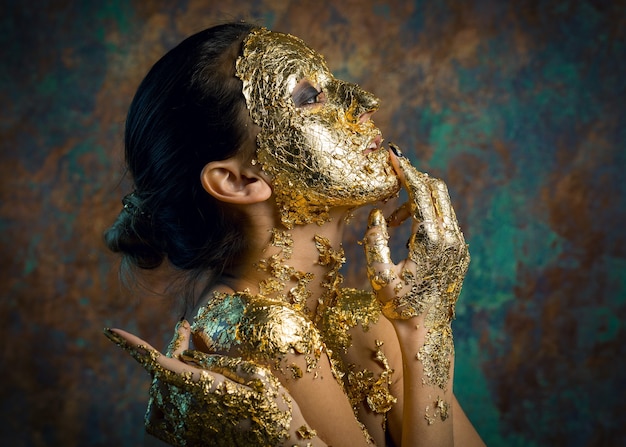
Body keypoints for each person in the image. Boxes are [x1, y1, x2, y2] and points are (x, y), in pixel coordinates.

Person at [103, 22, 485, 446]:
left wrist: (423, 325)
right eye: (310, 98)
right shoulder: (263, 332)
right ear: (237, 181)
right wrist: (428, 331)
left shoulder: (350, 317)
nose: (363, 101)